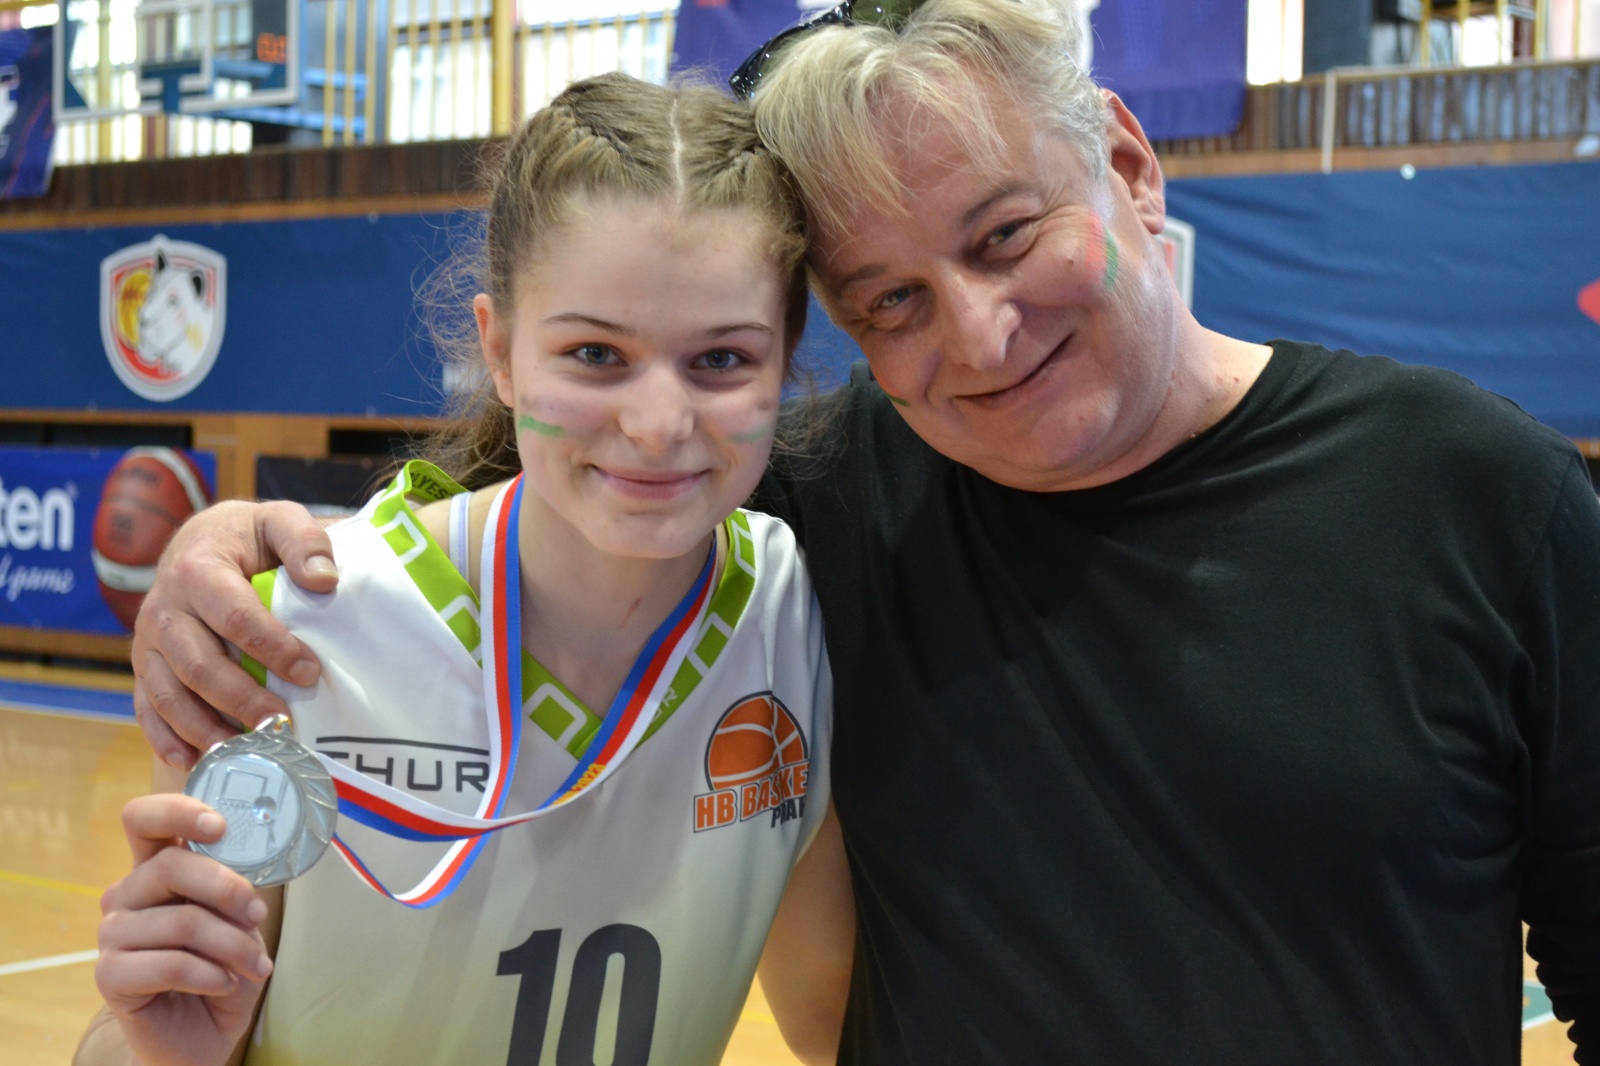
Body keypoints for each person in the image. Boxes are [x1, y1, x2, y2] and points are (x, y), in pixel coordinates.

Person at [127, 0, 1600, 1062]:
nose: (980, 333)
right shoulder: (828, 508)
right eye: (890, 300)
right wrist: (230, 562)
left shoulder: (1479, 493)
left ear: (1129, 166)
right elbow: (579, 483)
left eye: (1006, 234)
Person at [78, 73, 855, 1066]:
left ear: (787, 357)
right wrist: (161, 1055)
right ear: (500, 351)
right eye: (594, 354)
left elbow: (833, 1024)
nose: (660, 423)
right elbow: (153, 1031)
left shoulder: (800, 613)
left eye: (722, 360)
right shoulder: (289, 628)